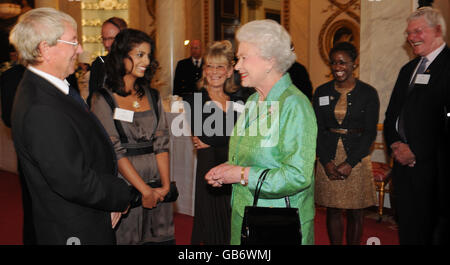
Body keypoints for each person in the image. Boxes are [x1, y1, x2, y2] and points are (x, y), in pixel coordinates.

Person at [9, 7, 138, 245]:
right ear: (45, 49)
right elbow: (74, 181)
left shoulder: (53, 87)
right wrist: (120, 194)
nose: (80, 49)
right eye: (73, 42)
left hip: (88, 214)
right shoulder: (40, 107)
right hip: (75, 227)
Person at [205, 19, 317, 245]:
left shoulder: (295, 105)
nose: (236, 66)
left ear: (270, 60)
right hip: (245, 216)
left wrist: (242, 174)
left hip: (278, 224)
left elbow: (298, 175)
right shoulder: (255, 100)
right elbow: (253, 155)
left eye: (244, 58)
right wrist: (228, 169)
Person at [91, 28, 174, 245]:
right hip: (126, 185)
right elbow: (113, 150)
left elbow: (162, 143)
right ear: (121, 57)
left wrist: (164, 187)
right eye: (139, 55)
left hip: (157, 183)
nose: (146, 60)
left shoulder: (153, 95)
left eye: (148, 55)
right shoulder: (102, 99)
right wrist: (144, 190)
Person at [384, 7, 450, 245]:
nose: (411, 37)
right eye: (409, 33)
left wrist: (417, 151)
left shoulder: (447, 66)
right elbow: (392, 113)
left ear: (438, 30)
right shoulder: (407, 70)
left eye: (418, 31)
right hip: (403, 166)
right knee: (409, 228)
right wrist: (395, 143)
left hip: (435, 170)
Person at [313, 42, 379, 245]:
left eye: (342, 62)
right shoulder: (321, 91)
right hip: (328, 157)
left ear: (354, 63)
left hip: (356, 160)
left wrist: (350, 162)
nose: (337, 67)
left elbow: (369, 133)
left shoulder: (368, 93)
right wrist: (326, 162)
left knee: (356, 212)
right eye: (333, 63)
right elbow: (315, 130)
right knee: (332, 210)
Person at [184, 40, 243, 245]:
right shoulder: (193, 100)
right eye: (210, 66)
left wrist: (223, 139)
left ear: (229, 71)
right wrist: (233, 138)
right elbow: (206, 137)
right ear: (204, 70)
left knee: (234, 231)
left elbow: (245, 137)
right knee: (211, 232)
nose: (214, 71)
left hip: (236, 175)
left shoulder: (238, 100)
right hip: (210, 176)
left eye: (220, 66)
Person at [87, 17, 127, 106]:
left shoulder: (134, 64)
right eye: (104, 39)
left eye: (111, 39)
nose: (106, 44)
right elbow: (92, 99)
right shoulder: (98, 64)